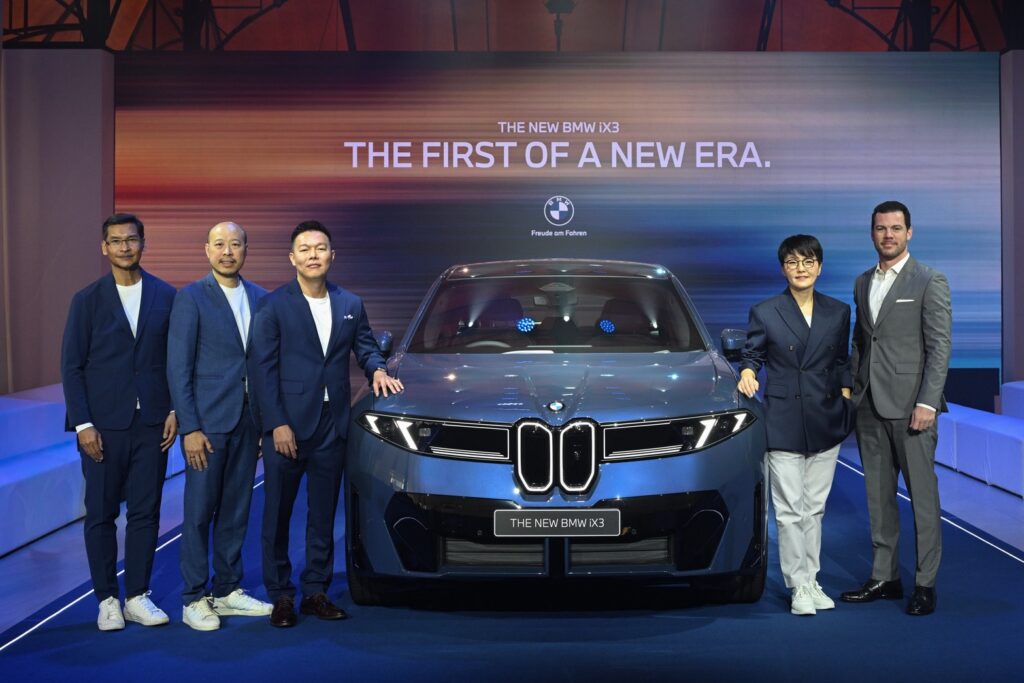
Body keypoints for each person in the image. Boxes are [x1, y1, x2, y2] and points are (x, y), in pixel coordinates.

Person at [250, 220, 404, 627]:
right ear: (292, 258)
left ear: (332, 255)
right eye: (304, 249)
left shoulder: (350, 302)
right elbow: (262, 369)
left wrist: (378, 369)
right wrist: (276, 423)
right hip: (286, 426)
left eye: (320, 248)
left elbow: (365, 347)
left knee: (323, 515)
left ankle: (315, 591)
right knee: (277, 514)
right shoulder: (272, 305)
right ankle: (281, 595)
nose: (313, 255)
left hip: (332, 425)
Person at [61, 213, 178, 631]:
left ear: (143, 243)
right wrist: (83, 424)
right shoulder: (87, 299)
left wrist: (175, 410)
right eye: (116, 240)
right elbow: (72, 366)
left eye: (131, 239)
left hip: (153, 423)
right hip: (102, 427)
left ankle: (137, 596)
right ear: (104, 247)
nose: (125, 247)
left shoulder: (167, 295)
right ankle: (107, 599)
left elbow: (176, 359)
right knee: (101, 514)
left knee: (146, 512)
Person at [840, 200, 951, 616]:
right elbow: (861, 342)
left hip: (912, 409)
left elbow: (940, 347)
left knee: (923, 500)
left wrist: (927, 402)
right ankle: (885, 577)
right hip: (870, 407)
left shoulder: (929, 280)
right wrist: (854, 391)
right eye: (881, 228)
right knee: (878, 498)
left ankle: (925, 584)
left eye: (896, 228)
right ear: (872, 233)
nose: (888, 235)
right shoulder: (862, 281)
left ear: (909, 232)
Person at [738, 234, 853, 616]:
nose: (800, 269)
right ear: (783, 268)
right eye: (792, 262)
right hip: (784, 418)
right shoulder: (766, 311)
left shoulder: (838, 311)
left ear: (819, 266)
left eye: (807, 261)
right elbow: (752, 353)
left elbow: (841, 361)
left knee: (814, 508)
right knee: (789, 510)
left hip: (825, 416)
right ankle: (798, 584)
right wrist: (748, 372)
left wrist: (845, 399)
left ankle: (812, 578)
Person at [167, 221, 272, 631]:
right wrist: (189, 427)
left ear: (246, 249)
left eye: (235, 244)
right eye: (219, 244)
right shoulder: (191, 297)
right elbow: (178, 368)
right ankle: (193, 597)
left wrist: (263, 424)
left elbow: (262, 365)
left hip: (247, 422)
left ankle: (227, 589)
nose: (227, 251)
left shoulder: (261, 297)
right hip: (207, 425)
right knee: (198, 512)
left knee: (236, 510)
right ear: (207, 250)